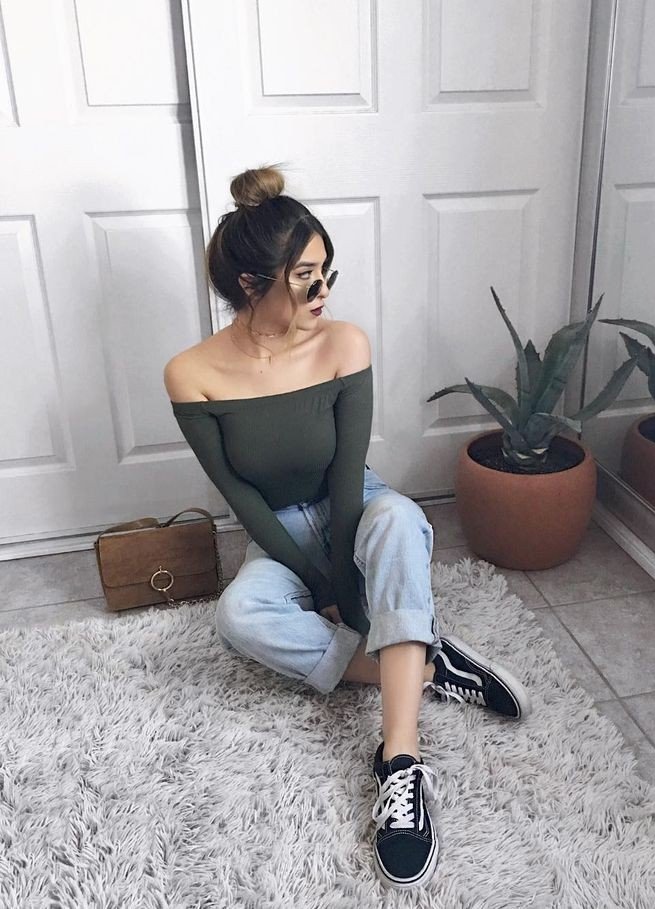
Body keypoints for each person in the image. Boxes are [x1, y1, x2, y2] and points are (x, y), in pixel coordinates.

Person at [163, 164, 533, 891]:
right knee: (239, 615)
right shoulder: (192, 372)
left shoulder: (343, 344)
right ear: (251, 283)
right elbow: (239, 493)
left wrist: (342, 583)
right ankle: (426, 664)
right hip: (275, 525)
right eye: (305, 278)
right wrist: (317, 580)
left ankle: (400, 760)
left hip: (350, 502)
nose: (324, 292)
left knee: (397, 518)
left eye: (326, 273)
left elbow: (346, 471)